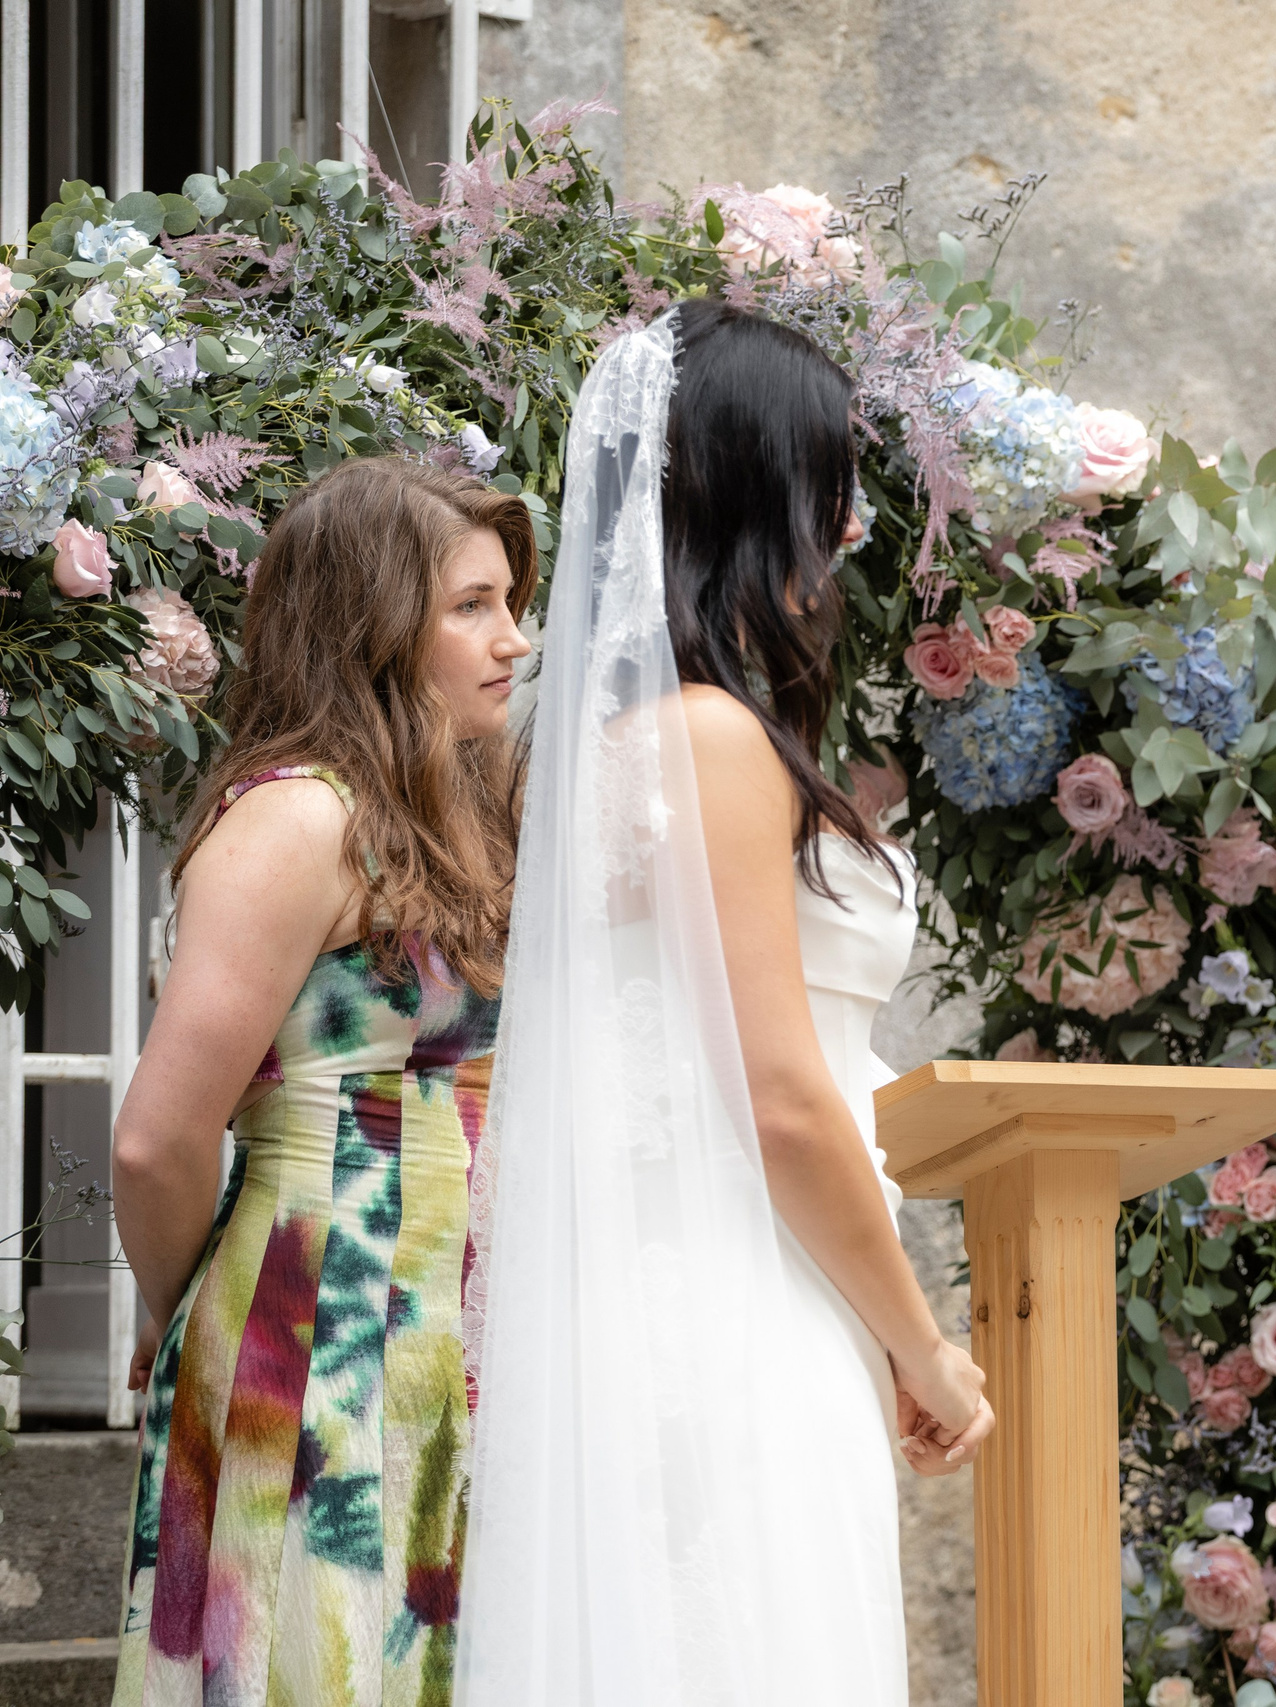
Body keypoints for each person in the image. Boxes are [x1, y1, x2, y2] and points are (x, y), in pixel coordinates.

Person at [455, 301, 992, 1705]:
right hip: (745, 1306)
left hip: (647, 1311)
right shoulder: (713, 742)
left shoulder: (595, 746)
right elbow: (780, 1096)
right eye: (831, 481)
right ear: (761, 491)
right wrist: (920, 1340)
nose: (856, 525)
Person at [110, 456, 536, 1704]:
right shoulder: (295, 821)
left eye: (510, 601)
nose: (513, 638)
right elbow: (155, 1142)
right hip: (312, 1334)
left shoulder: (458, 810)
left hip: (454, 1333)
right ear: (371, 622)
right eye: (472, 605)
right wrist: (174, 1301)